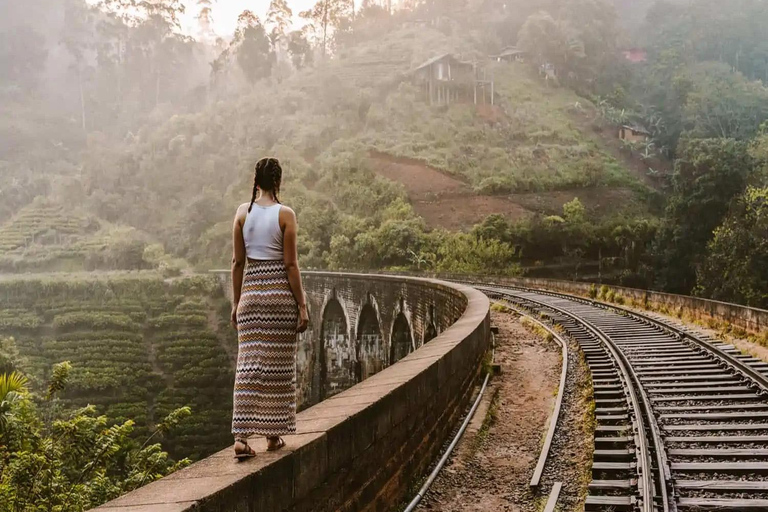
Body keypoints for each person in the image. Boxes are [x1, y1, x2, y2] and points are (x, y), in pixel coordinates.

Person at [229, 157, 309, 460]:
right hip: (279, 298)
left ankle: (241, 437)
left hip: (250, 295)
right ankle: (273, 436)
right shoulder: (285, 215)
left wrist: (237, 304)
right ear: (278, 181)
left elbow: (238, 263)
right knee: (277, 368)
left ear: (256, 181)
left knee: (248, 366)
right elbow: (290, 264)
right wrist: (301, 305)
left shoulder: (241, 213)